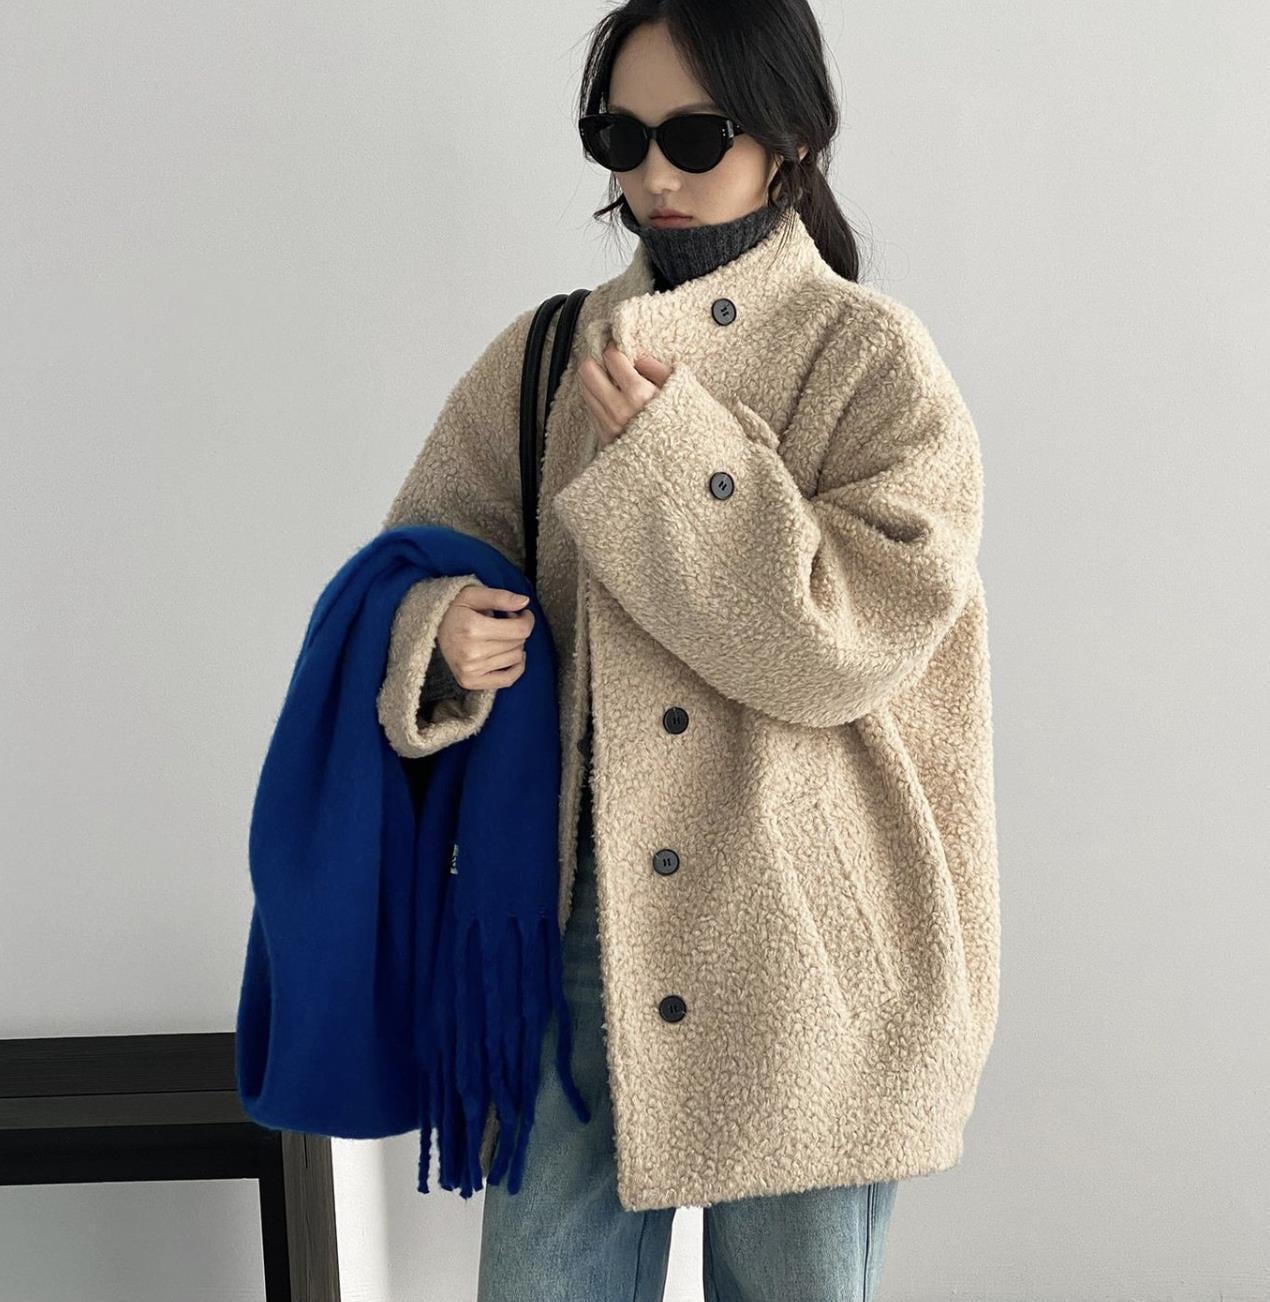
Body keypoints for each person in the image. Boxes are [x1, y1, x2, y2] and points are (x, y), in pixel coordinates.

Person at [378, 3, 1000, 1298]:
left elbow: (845, 639)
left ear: (790, 138)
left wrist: (679, 461)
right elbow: (414, 561)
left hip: (812, 944)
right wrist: (437, 638)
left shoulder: (868, 361)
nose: (653, 173)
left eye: (695, 135)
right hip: (571, 931)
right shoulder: (545, 355)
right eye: (620, 137)